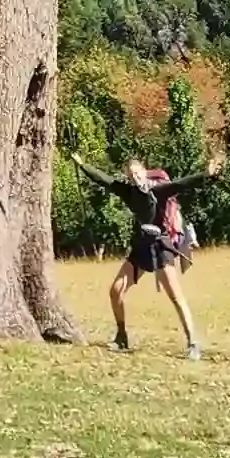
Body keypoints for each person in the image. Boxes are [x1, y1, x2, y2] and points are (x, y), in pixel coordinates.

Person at [74, 152, 204, 355]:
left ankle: (193, 342)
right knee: (116, 290)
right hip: (141, 245)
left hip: (161, 245)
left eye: (137, 173)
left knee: (175, 296)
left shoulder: (158, 190)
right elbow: (105, 180)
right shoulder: (128, 191)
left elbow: (182, 184)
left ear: (144, 173)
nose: (135, 177)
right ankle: (121, 336)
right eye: (131, 175)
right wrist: (83, 166)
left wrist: (207, 174)